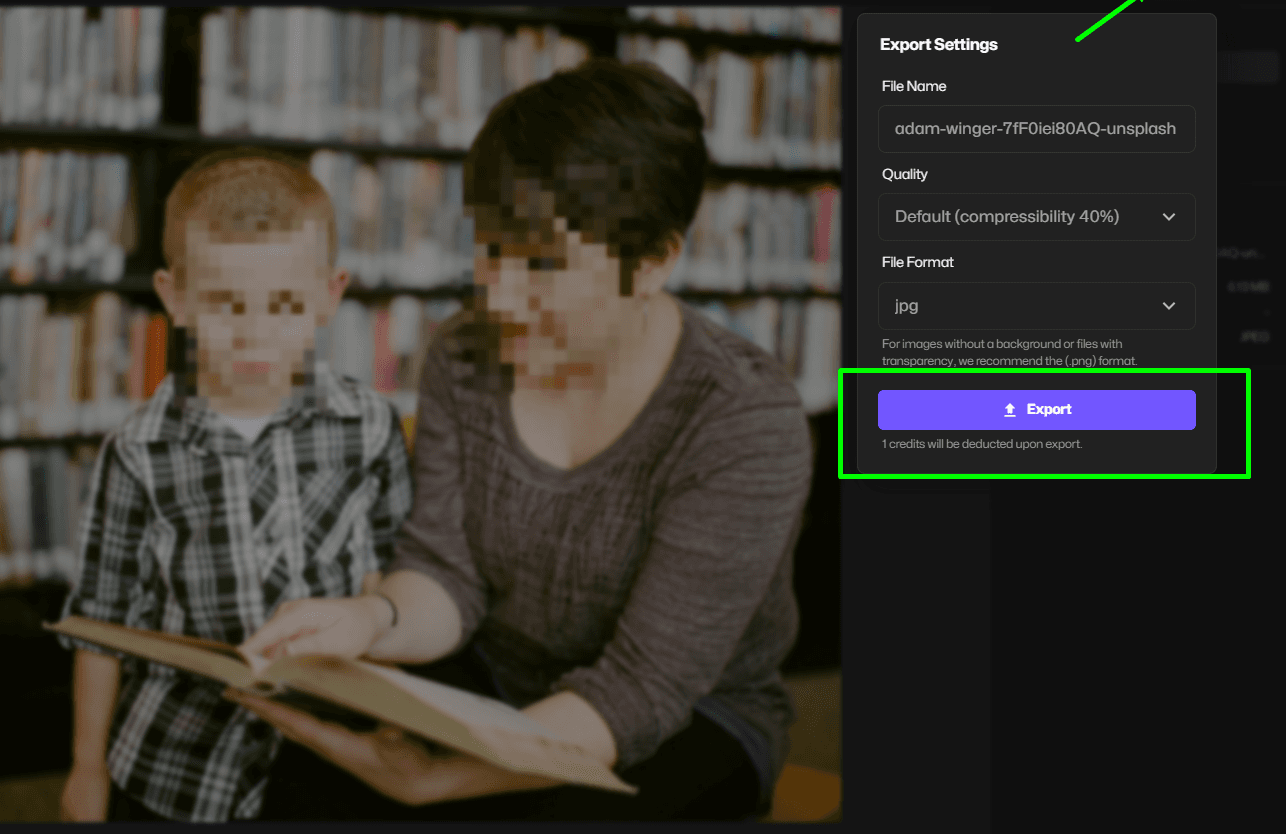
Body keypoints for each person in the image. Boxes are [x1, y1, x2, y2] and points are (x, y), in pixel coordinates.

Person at [229, 58, 814, 821]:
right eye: (491, 248)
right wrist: (368, 619)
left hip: (690, 721)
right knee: (301, 778)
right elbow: (446, 574)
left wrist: (443, 775)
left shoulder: (741, 420)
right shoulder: (463, 354)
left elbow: (642, 690)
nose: (497, 294)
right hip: (497, 680)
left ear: (652, 261)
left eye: (539, 263)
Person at [54, 149, 414, 822]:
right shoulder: (137, 450)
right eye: (225, 304)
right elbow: (98, 623)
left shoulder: (367, 424)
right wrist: (85, 766)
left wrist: (395, 713)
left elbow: (398, 579)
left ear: (329, 295)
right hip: (178, 764)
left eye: (283, 305)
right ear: (175, 298)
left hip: (329, 754)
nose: (254, 333)